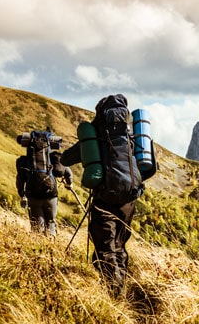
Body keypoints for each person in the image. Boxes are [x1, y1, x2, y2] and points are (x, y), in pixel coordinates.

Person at [61, 94, 157, 298]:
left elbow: (67, 159)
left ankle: (115, 295)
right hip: (129, 200)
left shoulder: (96, 136)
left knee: (105, 248)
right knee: (119, 245)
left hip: (104, 199)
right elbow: (150, 168)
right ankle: (120, 285)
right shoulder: (134, 136)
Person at [15, 131, 68, 237]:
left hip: (33, 195)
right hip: (51, 195)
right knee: (51, 222)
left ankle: (39, 246)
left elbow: (20, 179)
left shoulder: (25, 161)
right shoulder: (53, 158)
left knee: (37, 226)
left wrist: (22, 194)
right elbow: (65, 170)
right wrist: (69, 183)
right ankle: (51, 246)